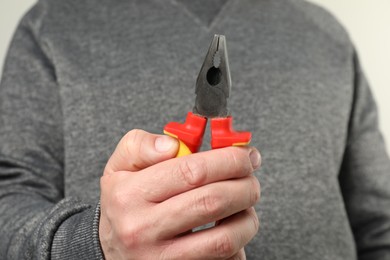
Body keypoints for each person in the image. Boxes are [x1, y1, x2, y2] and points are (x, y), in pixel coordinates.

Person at [0, 0, 389, 259]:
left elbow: (378, 222)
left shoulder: (326, 34)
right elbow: (8, 206)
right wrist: (94, 241)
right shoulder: (52, 24)